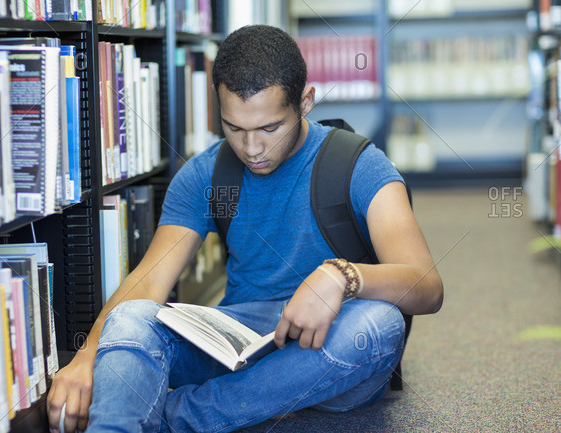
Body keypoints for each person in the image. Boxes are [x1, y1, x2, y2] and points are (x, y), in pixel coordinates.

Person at [47, 24, 443, 433]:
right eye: (234, 128)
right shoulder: (206, 175)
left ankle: (178, 417)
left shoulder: (359, 165)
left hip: (328, 347)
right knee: (130, 319)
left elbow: (428, 287)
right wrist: (86, 356)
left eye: (270, 128)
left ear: (305, 101)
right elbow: (148, 284)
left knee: (378, 325)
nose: (252, 149)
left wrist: (342, 276)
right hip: (237, 345)